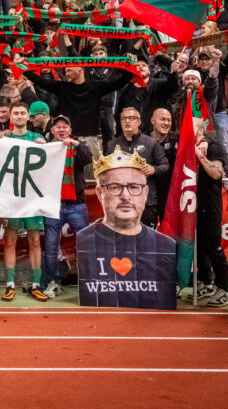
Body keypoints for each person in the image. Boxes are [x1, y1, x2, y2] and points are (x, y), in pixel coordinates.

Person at [76, 147, 177, 309]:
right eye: (115, 187)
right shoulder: (84, 240)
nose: (125, 196)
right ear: (99, 192)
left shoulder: (165, 245)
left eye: (134, 187)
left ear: (145, 193)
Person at [0, 102, 48, 301]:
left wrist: (45, 148)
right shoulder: (3, 139)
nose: (19, 116)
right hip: (11, 197)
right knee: (10, 241)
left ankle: (36, 285)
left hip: (32, 198)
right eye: (16, 113)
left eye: (22, 113)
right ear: (10, 117)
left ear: (28, 116)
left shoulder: (37, 139)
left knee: (35, 240)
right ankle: (9, 285)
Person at [42, 115, 92, 298]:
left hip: (76, 204)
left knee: (85, 245)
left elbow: (88, 158)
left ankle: (88, 283)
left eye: (65, 126)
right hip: (53, 205)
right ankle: (52, 283)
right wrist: (39, 147)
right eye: (58, 127)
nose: (61, 129)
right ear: (52, 130)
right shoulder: (46, 148)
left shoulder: (77, 147)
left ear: (70, 130)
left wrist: (76, 145)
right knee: (50, 247)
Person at [105, 107, 169, 229]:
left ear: (139, 122)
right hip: (120, 202)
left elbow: (165, 166)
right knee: (123, 237)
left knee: (146, 238)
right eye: (124, 118)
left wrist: (154, 169)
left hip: (146, 202)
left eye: (131, 118)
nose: (127, 121)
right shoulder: (112, 145)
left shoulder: (151, 143)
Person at [190, 119, 228, 307]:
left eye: (192, 131)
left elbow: (216, 173)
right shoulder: (183, 147)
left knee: (213, 247)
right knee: (199, 248)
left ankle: (224, 289)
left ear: (201, 132)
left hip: (210, 205)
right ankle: (206, 283)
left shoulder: (213, 148)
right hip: (193, 206)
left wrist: (199, 154)